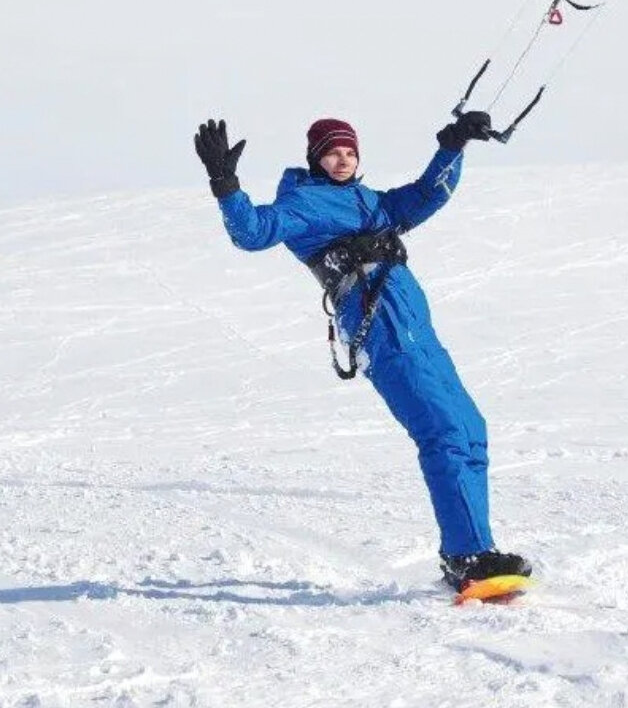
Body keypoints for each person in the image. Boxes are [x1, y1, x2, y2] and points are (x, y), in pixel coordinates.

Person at [191, 112, 532, 593]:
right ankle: (467, 555)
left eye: (350, 152)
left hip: (419, 332)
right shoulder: (304, 203)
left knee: (471, 431)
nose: (342, 159)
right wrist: (224, 182)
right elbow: (253, 233)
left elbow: (427, 194)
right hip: (382, 332)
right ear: (316, 157)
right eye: (332, 152)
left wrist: (453, 146)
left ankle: (470, 549)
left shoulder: (370, 201)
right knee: (444, 432)